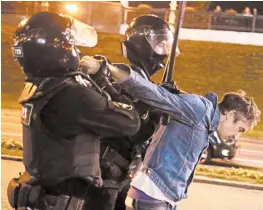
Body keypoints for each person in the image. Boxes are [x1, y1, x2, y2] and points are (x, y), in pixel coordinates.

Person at [80, 56, 261, 210]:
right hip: (153, 194)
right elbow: (153, 94)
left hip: (164, 197)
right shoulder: (200, 110)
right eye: (240, 129)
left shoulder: (205, 121)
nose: (237, 135)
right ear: (230, 115)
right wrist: (107, 68)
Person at [7, 11, 142, 210]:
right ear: (57, 50)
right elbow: (131, 122)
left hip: (44, 194)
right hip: (67, 199)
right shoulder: (72, 95)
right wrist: (104, 82)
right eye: (71, 44)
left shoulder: (38, 87)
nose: (76, 51)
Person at [84, 15, 178, 210]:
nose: (163, 52)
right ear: (141, 43)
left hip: (122, 173)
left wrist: (162, 100)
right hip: (105, 171)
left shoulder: (144, 84)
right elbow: (135, 128)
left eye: (165, 44)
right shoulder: (121, 77)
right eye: (159, 44)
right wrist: (156, 106)